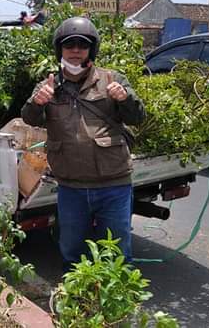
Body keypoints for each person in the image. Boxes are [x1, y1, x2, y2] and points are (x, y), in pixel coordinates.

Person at [21, 16, 145, 268]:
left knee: (117, 253)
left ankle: (116, 304)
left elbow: (138, 117)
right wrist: (38, 102)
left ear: (91, 49)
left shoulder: (112, 79)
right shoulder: (49, 85)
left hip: (114, 184)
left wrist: (125, 99)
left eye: (82, 45)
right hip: (71, 187)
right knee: (73, 251)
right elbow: (29, 118)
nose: (76, 50)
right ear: (60, 50)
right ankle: (78, 304)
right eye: (69, 45)